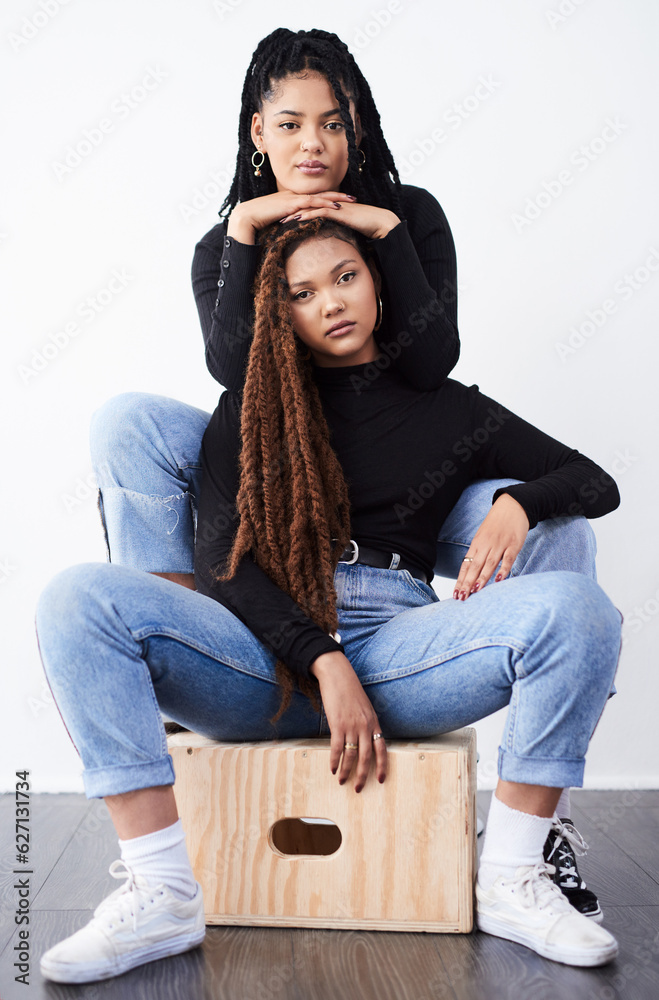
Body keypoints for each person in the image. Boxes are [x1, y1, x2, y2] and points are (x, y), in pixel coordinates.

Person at [92, 26, 603, 917]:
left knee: (556, 518)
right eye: (289, 126)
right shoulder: (228, 245)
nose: (312, 146)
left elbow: (426, 363)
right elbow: (239, 378)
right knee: (131, 424)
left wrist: (384, 233)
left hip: (418, 489)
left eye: (331, 123)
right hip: (293, 481)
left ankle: (536, 821)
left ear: (356, 125)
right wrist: (250, 234)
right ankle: (186, 639)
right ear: (258, 133)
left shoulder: (409, 215)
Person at [37, 216, 621, 982]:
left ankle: (512, 877)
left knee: (578, 609)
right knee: (77, 597)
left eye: (346, 276)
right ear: (281, 315)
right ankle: (161, 892)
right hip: (255, 658)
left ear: (377, 282)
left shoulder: (450, 409)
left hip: (400, 649)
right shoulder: (250, 412)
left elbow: (592, 480)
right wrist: (322, 661)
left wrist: (518, 501)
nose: (331, 303)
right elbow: (221, 561)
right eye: (302, 294)